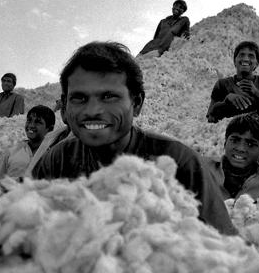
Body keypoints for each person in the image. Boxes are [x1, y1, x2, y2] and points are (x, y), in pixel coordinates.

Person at [32, 41, 237, 235]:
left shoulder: (178, 163)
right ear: (65, 108)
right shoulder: (56, 162)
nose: (92, 110)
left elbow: (228, 251)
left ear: (137, 103)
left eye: (108, 96)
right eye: (79, 98)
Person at [206, 41, 259, 143]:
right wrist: (227, 99)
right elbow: (210, 116)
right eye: (241, 55)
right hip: (233, 132)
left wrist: (256, 93)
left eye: (251, 56)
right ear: (235, 61)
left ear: (257, 63)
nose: (246, 59)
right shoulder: (222, 84)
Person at [206, 113, 259, 200]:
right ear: (225, 143)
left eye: (251, 144)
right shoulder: (202, 170)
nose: (241, 149)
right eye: (235, 140)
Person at [0, 105, 55, 180]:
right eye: (29, 120)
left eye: (38, 122)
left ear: (50, 129)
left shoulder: (53, 154)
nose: (31, 125)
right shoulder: (12, 151)